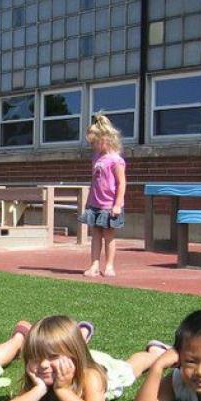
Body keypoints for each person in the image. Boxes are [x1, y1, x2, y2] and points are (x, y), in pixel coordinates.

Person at [0, 315, 167, 401]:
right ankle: (80, 337)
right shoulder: (39, 377)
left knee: (130, 368)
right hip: (78, 358)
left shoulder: (91, 377)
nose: (43, 364)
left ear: (73, 356)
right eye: (35, 357)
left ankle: (154, 353)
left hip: (104, 369)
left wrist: (62, 389)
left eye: (52, 356)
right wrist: (39, 389)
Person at [80, 113, 127, 278]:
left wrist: (117, 204)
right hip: (95, 203)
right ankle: (94, 265)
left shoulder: (116, 160)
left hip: (109, 205)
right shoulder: (96, 158)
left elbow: (121, 183)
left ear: (105, 139)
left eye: (95, 142)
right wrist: (88, 201)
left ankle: (109, 265)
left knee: (109, 236)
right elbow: (94, 181)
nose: (93, 146)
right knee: (95, 236)